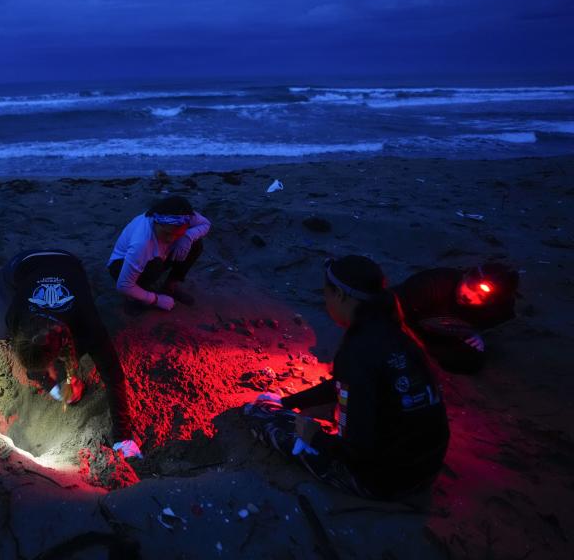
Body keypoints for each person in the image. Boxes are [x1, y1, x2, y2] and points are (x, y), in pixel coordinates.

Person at [246, 256, 450, 500]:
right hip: (426, 464)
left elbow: (356, 451)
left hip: (388, 480)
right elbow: (346, 384)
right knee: (336, 407)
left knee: (257, 414)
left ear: (340, 296)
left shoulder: (357, 352)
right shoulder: (399, 335)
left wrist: (315, 435)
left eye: (327, 294)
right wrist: (289, 402)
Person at [0, 249, 140, 458]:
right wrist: (53, 388)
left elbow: (113, 376)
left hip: (69, 261)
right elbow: (32, 367)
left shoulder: (88, 326)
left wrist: (124, 437)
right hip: (23, 265)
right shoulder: (16, 317)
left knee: (87, 314)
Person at [392, 263, 519, 374]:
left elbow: (489, 321)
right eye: (470, 286)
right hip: (402, 320)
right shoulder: (434, 282)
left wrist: (474, 333)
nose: (469, 296)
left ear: (492, 303)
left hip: (437, 334)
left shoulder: (498, 311)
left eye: (480, 297)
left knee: (474, 358)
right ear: (466, 275)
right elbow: (390, 305)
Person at [108, 195, 210, 311]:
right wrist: (156, 300)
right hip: (122, 265)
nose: (171, 239)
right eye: (166, 233)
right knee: (154, 265)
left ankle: (169, 286)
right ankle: (139, 295)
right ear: (156, 222)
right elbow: (123, 285)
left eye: (177, 234)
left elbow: (206, 224)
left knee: (195, 244)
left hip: (159, 256)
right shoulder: (141, 243)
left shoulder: (185, 217)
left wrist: (187, 236)